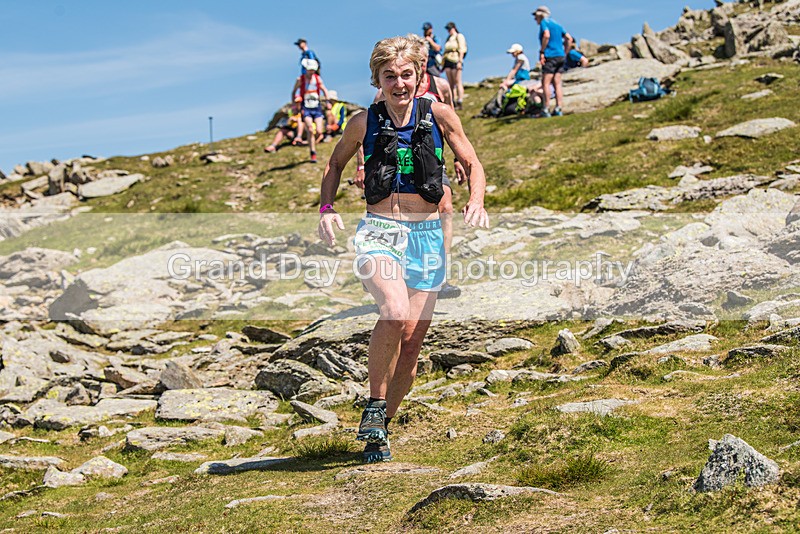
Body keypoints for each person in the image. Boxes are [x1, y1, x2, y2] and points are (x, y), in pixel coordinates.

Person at [317, 35, 489, 463]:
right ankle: (374, 404)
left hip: (427, 236)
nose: (398, 83)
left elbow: (472, 162)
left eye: (406, 74)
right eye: (389, 75)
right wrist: (326, 207)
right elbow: (335, 164)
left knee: (411, 344)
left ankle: (380, 430)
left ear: (419, 76)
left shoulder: (440, 115)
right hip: (380, 230)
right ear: (377, 78)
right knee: (393, 312)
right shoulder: (362, 122)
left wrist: (476, 199)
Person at [355, 34, 465, 299]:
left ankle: (438, 271)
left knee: (446, 205)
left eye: (424, 59)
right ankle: (387, 266)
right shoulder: (386, 88)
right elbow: (370, 132)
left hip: (431, 159)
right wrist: (362, 165)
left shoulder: (439, 85)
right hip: (394, 162)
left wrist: (459, 158)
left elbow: (451, 124)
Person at [533, 5, 574, 117]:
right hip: (560, 56)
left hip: (550, 55)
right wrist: (565, 52)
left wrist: (542, 51)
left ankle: (546, 109)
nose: (534, 19)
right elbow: (569, 38)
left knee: (546, 82)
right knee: (557, 83)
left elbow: (546, 35)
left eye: (535, 16)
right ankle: (558, 108)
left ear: (540, 15)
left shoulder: (544, 23)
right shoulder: (557, 24)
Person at [292, 59, 329, 163]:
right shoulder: (300, 79)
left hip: (316, 106)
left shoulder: (317, 79)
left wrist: (328, 101)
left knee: (319, 131)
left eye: (313, 70)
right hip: (306, 107)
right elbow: (294, 92)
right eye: (309, 70)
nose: (311, 72)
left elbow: (324, 90)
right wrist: (295, 105)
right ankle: (313, 152)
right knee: (310, 129)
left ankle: (311, 142)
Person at [442, 22, 467, 110]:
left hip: (455, 60)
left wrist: (460, 61)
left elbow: (462, 49)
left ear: (454, 28)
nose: (449, 31)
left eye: (450, 28)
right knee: (451, 83)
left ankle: (460, 100)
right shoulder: (448, 38)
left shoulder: (459, 36)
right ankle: (453, 101)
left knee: (457, 81)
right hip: (447, 60)